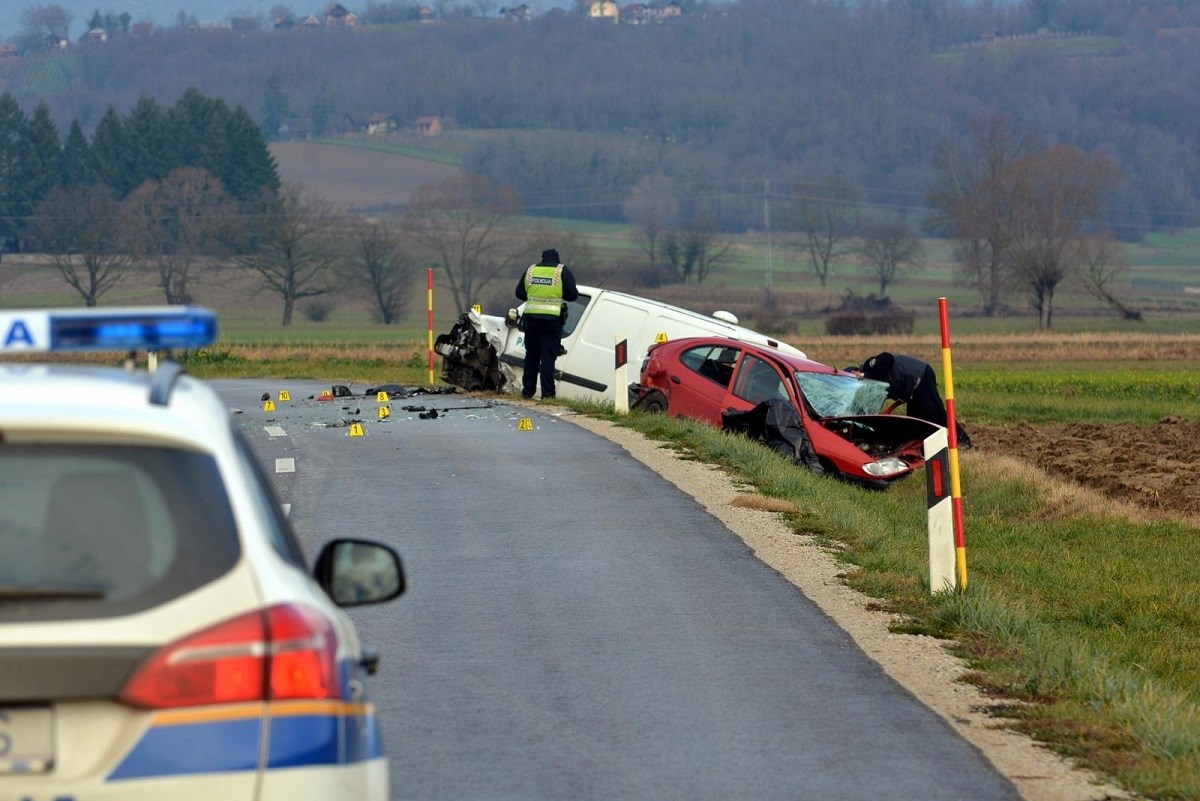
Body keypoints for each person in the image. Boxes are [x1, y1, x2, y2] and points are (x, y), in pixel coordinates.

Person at [857, 352, 973, 448]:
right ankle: (924, 449)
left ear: (857, 371)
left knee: (937, 414)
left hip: (920, 377)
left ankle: (964, 443)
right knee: (914, 423)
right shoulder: (870, 386)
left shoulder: (870, 366)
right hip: (911, 390)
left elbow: (888, 357)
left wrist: (867, 373)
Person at [515, 248, 579, 399]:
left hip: (531, 321)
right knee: (548, 358)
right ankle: (547, 395)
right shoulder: (562, 271)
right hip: (551, 323)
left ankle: (527, 392)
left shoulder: (530, 270)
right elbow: (573, 295)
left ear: (542, 258)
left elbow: (519, 293)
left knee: (531, 356)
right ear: (557, 259)